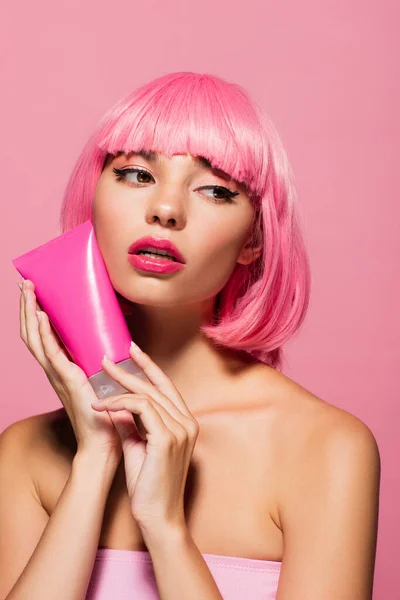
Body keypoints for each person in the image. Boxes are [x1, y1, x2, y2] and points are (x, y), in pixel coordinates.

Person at [0, 72, 380, 600]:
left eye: (216, 189)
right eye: (136, 174)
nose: (166, 209)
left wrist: (165, 525)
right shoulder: (26, 453)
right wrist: (94, 461)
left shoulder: (326, 449)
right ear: (94, 201)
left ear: (254, 239)